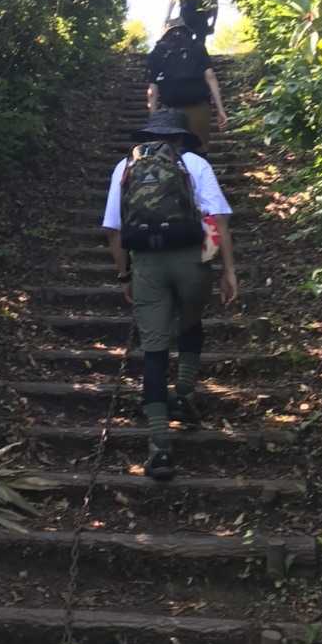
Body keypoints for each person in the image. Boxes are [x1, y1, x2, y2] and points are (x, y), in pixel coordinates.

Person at [102, 109, 239, 481]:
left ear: (149, 135)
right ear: (181, 137)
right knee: (191, 323)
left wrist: (125, 274)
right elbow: (216, 220)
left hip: (147, 264)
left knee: (154, 349)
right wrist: (225, 269)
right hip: (192, 259)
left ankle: (160, 446)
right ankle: (184, 392)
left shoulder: (125, 167)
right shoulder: (195, 163)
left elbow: (113, 231)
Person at [146, 19, 228, 151]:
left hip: (170, 110)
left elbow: (152, 90)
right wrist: (220, 109)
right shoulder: (197, 46)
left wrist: (154, 119)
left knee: (171, 151)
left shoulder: (158, 52)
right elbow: (210, 77)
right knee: (199, 148)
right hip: (198, 107)